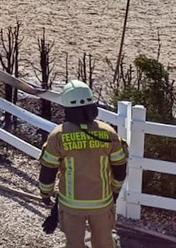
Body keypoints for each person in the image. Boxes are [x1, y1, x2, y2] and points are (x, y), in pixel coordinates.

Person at [38, 80, 129, 248]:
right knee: (104, 243)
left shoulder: (58, 136)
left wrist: (45, 194)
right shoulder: (108, 133)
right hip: (102, 203)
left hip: (71, 205)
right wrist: (115, 191)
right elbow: (120, 169)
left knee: (74, 244)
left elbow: (48, 171)